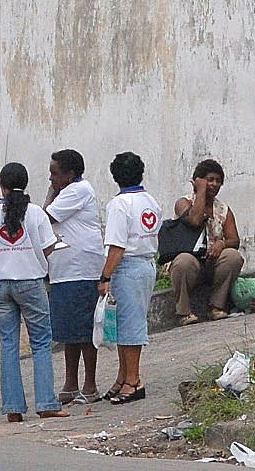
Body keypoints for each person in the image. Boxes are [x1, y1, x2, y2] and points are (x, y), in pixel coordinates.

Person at [0, 162, 65, 422]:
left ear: (1, 185)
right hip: (31, 283)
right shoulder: (36, 213)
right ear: (25, 184)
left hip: (0, 285)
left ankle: (13, 408)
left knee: (8, 345)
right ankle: (46, 403)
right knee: (40, 343)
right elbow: (48, 248)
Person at [97, 152, 160, 405]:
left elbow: (116, 247)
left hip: (127, 268)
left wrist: (105, 276)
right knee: (124, 324)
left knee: (131, 325)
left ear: (115, 177)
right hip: (146, 264)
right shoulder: (150, 201)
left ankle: (134, 380)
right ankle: (123, 376)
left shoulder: (119, 205)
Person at [44, 149, 103, 406]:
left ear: (70, 174)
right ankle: (70, 383)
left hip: (81, 270)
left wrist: (50, 194)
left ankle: (89, 384)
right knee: (69, 331)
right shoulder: (66, 192)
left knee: (85, 330)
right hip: (64, 270)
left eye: (55, 174)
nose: (51, 179)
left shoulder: (78, 191)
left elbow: (45, 217)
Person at [167, 159, 242, 324]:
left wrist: (222, 244)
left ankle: (216, 306)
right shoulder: (183, 203)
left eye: (218, 181)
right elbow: (194, 220)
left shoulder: (223, 210)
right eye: (209, 180)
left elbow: (234, 240)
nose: (214, 184)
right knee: (183, 261)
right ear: (198, 181)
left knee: (233, 256)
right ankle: (184, 312)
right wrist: (200, 191)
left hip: (212, 264)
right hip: (190, 266)